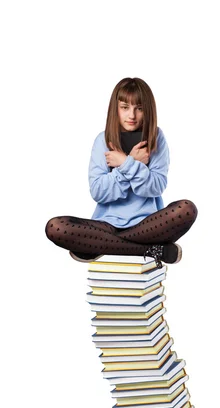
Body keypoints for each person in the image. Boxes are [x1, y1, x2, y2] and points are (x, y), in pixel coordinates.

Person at [45, 77, 198, 268]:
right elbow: (98, 192)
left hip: (148, 226)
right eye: (125, 107)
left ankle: (100, 245)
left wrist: (125, 163)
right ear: (115, 109)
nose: (132, 115)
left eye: (139, 108)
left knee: (186, 209)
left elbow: (156, 187)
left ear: (148, 110)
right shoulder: (102, 140)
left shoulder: (157, 138)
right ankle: (150, 249)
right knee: (56, 227)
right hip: (106, 224)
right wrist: (130, 165)